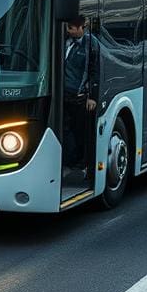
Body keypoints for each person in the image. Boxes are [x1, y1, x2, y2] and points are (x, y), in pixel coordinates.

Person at [62, 15, 99, 180]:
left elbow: (94, 71)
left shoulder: (91, 44)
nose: (67, 31)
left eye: (71, 28)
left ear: (81, 28)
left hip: (79, 97)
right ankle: (69, 163)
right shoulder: (64, 40)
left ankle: (81, 165)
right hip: (63, 95)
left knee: (80, 133)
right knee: (65, 130)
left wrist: (92, 96)